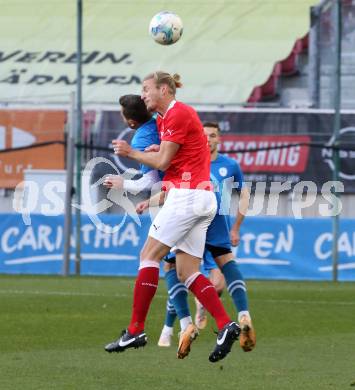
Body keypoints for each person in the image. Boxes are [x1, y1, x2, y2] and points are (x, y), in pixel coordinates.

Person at [104, 71, 240, 363]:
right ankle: (225, 324)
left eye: (146, 89)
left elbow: (163, 162)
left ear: (163, 89)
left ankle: (135, 330)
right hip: (201, 197)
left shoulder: (177, 114)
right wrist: (157, 151)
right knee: (187, 271)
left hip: (188, 196)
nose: (143, 96)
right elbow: (180, 155)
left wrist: (133, 153)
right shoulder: (168, 118)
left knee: (148, 256)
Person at [154, 122, 256, 353]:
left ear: (219, 139)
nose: (208, 139)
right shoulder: (187, 158)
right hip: (208, 213)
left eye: (212, 135)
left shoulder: (227, 165)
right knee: (215, 264)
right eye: (204, 135)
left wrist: (236, 227)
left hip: (200, 216)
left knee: (176, 269)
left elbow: (244, 194)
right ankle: (239, 315)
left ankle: (185, 324)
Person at [104, 94, 194, 341]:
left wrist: (123, 184)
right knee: (182, 267)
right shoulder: (161, 121)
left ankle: (141, 329)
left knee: (157, 260)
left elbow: (151, 180)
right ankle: (183, 325)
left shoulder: (142, 136)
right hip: (196, 191)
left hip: (177, 198)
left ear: (130, 121)